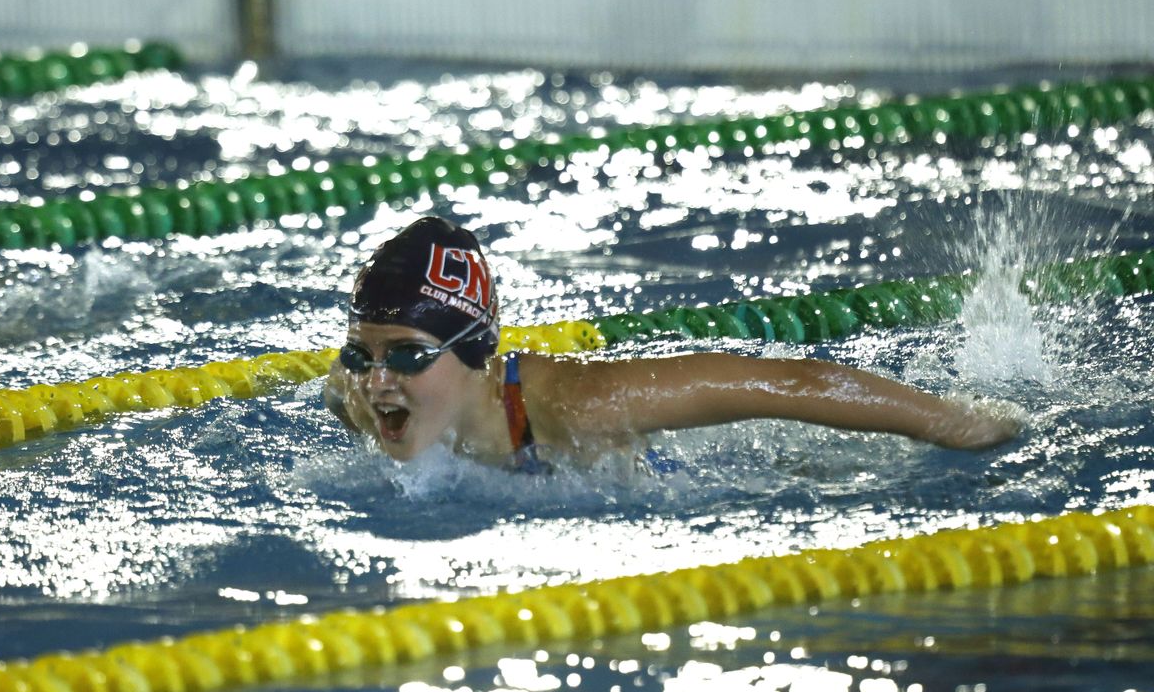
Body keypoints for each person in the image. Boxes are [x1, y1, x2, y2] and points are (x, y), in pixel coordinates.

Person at [324, 216, 1022, 472]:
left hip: (684, 471)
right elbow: (341, 383)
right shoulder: (364, 398)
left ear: (474, 352)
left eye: (409, 354)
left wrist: (958, 424)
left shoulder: (576, 405)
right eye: (364, 355)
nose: (377, 381)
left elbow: (787, 383)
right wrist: (360, 369)